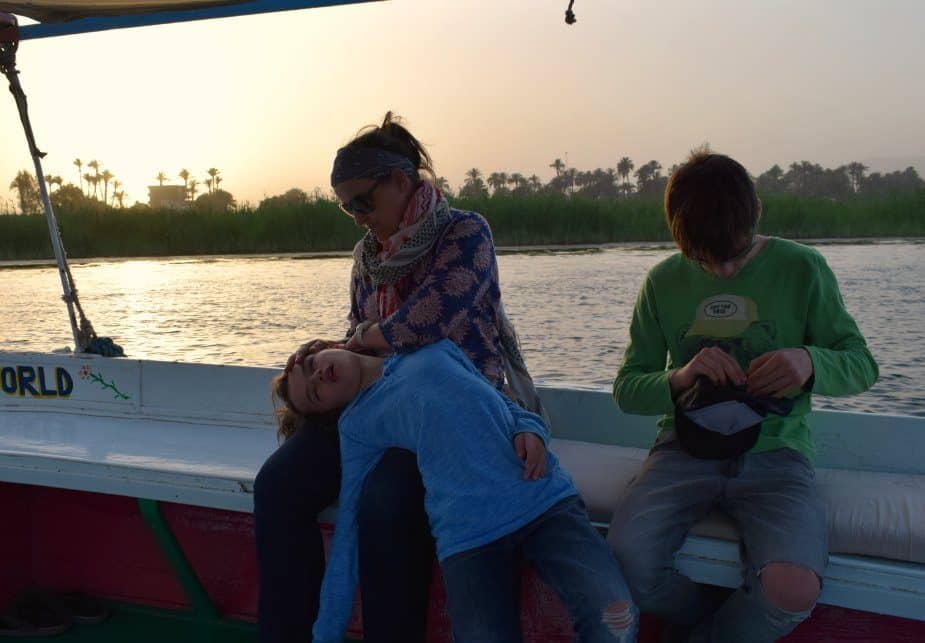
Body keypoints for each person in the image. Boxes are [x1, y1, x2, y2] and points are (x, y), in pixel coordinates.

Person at [254, 112, 544, 643]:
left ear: (401, 180)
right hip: (377, 405)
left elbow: (427, 322)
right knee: (277, 484)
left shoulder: (465, 232)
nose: (359, 217)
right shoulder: (368, 258)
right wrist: (331, 349)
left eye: (363, 201)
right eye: (347, 208)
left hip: (446, 411)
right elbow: (364, 334)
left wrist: (357, 340)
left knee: (386, 500)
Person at [608, 148, 878, 642]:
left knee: (793, 589)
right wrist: (680, 377)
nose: (725, 271)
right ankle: (708, 617)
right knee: (625, 563)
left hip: (777, 454)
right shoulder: (662, 282)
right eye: (706, 260)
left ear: (754, 217)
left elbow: (863, 365)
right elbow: (626, 389)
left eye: (733, 254)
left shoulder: (803, 268)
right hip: (682, 450)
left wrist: (809, 362)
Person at [273, 339, 637, 643]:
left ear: (322, 348)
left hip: (541, 502)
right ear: (332, 410)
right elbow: (349, 530)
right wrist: (325, 634)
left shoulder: (429, 346)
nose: (320, 376)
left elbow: (501, 399)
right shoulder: (357, 425)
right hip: (469, 539)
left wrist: (532, 429)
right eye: (316, 393)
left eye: (311, 366)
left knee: (616, 616)